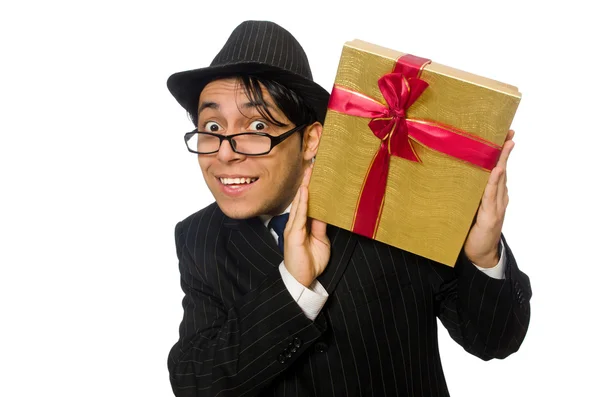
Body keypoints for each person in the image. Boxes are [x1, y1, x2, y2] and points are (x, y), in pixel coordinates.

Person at [166, 20, 531, 397]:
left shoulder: (389, 203)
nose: (225, 152)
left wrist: (484, 256)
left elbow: (494, 340)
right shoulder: (199, 237)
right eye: (211, 126)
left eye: (257, 126)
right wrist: (293, 287)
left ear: (310, 140)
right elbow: (197, 382)